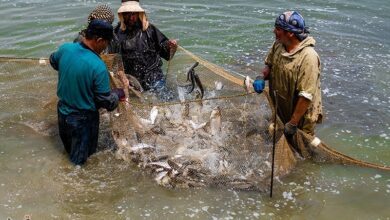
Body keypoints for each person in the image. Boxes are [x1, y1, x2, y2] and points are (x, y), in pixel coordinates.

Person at [50, 19, 126, 165]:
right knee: (80, 163)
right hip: (83, 121)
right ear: (98, 40)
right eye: (106, 43)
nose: (106, 47)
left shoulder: (66, 49)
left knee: (69, 153)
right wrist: (118, 93)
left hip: (62, 113)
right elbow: (107, 103)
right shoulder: (98, 66)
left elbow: (53, 61)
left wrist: (71, 71)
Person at [253, 11, 322, 136]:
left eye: (278, 29)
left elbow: (306, 96)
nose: (274, 31)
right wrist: (261, 77)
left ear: (290, 33)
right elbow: (269, 65)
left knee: (300, 150)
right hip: (282, 108)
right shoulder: (279, 45)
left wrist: (293, 123)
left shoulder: (308, 57)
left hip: (301, 117)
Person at [109, 0, 178, 91]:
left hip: (154, 76)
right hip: (131, 80)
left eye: (133, 14)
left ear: (139, 14)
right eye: (127, 14)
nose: (131, 18)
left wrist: (171, 46)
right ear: (122, 15)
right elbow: (113, 61)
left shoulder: (150, 30)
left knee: (166, 98)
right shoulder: (116, 33)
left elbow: (167, 55)